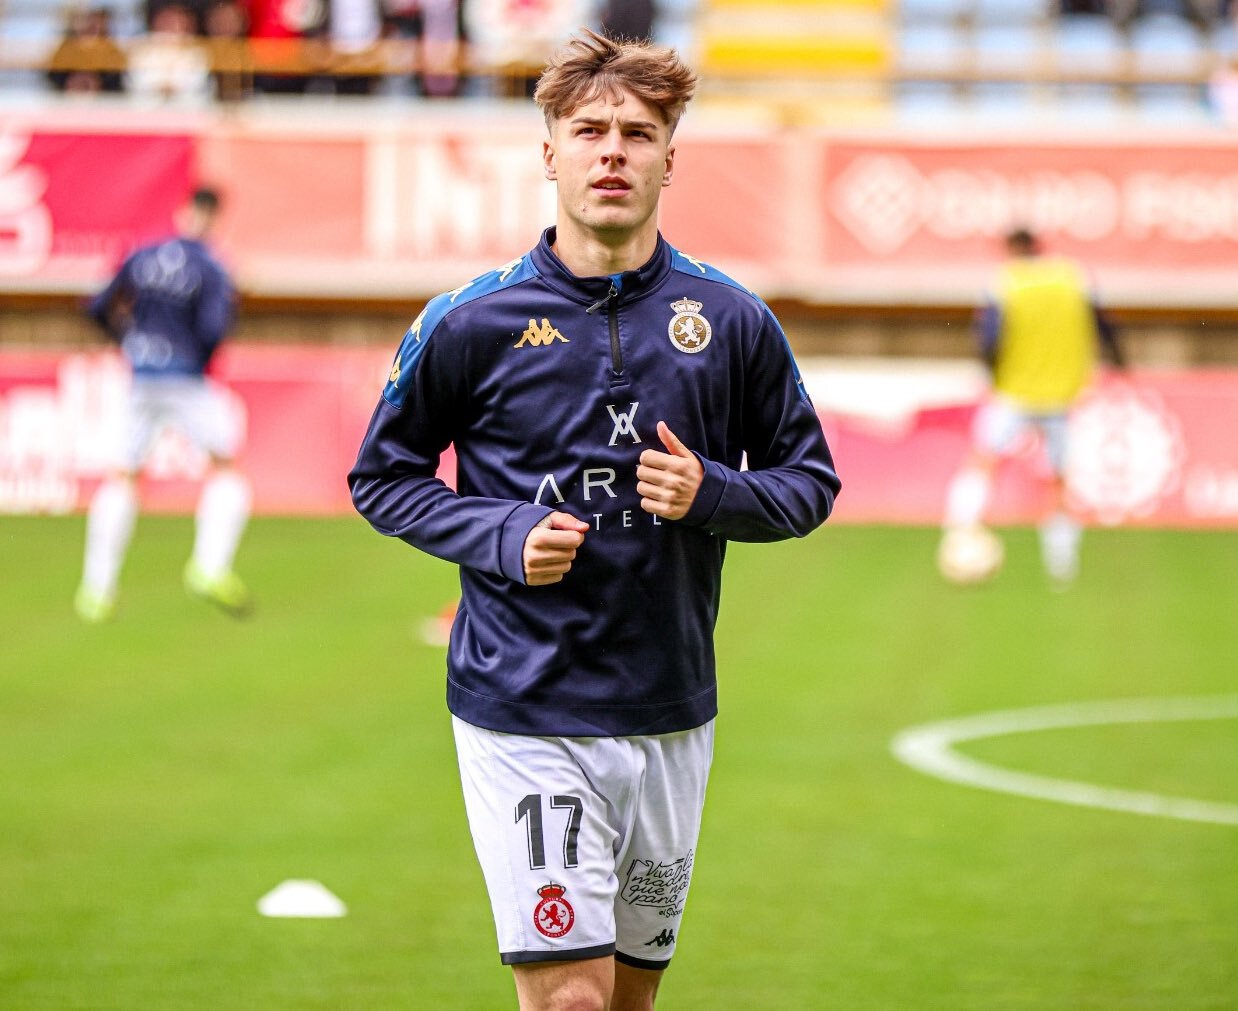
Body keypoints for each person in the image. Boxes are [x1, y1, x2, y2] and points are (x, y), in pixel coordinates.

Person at [349, 28, 840, 1011]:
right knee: (570, 1001)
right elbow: (382, 477)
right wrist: (497, 538)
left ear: (669, 157)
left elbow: (807, 481)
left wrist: (716, 495)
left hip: (667, 707)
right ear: (549, 153)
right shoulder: (467, 322)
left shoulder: (730, 319)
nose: (610, 150)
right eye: (587, 131)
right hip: (523, 704)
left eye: (635, 132)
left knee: (624, 999)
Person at [76, 186, 253, 623]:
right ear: (213, 218)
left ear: (181, 212)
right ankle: (210, 567)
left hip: (141, 378)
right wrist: (193, 357)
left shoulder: (144, 254)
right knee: (227, 471)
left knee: (123, 475)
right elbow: (214, 329)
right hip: (186, 379)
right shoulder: (212, 267)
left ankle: (96, 590)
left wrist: (129, 342)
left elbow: (98, 307)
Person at [941, 226, 1124, 587]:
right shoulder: (1072, 276)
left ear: (1011, 249)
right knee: (1057, 480)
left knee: (983, 460)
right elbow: (1103, 324)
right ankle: (1061, 564)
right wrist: (1119, 363)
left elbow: (990, 334)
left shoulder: (1007, 281)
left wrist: (990, 370)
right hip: (1061, 392)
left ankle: (959, 534)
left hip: (1016, 390)